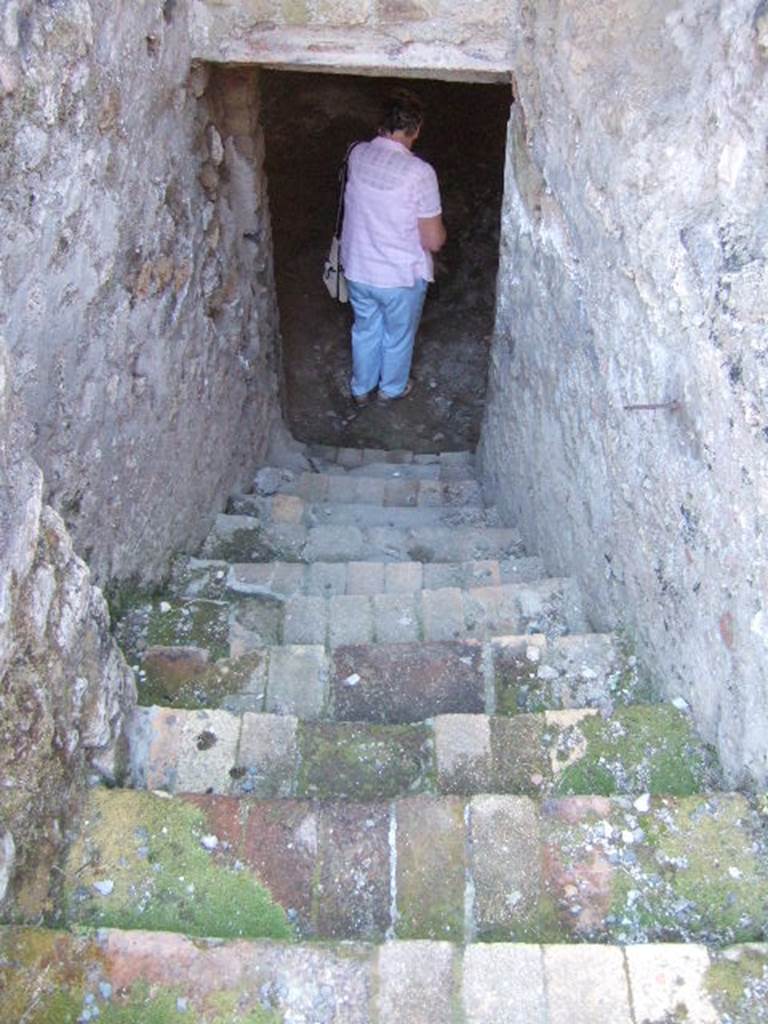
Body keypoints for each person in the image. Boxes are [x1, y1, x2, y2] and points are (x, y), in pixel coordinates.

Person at [340, 89, 446, 406]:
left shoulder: (356, 154)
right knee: (397, 336)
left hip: (359, 268)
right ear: (417, 129)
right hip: (399, 276)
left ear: (380, 124)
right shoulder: (419, 173)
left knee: (365, 328)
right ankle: (390, 390)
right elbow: (433, 240)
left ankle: (361, 389)